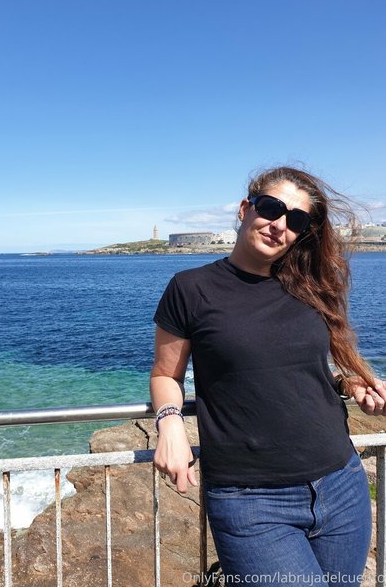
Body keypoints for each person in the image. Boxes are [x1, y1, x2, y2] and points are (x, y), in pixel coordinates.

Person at [150, 166, 386, 587]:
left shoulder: (310, 287)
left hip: (341, 482)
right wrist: (170, 423)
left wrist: (348, 382)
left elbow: (304, 367)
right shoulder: (191, 288)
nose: (280, 225)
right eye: (272, 208)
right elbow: (166, 375)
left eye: (296, 220)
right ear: (246, 209)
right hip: (252, 501)